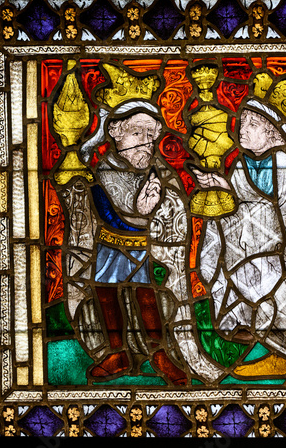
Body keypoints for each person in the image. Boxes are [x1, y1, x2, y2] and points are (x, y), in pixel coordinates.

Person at [75, 100, 223, 384]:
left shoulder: (157, 170)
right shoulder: (105, 170)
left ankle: (159, 354)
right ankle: (117, 352)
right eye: (137, 133)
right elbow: (106, 213)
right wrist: (142, 211)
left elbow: (174, 204)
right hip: (110, 244)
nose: (146, 142)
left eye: (151, 136)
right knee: (107, 294)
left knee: (146, 297)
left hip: (145, 246)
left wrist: (157, 205)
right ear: (116, 133)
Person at [194, 100, 286, 379]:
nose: (242, 130)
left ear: (272, 133)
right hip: (254, 249)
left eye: (253, 124)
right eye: (242, 122)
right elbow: (243, 206)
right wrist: (223, 189)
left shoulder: (283, 163)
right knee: (251, 287)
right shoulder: (240, 164)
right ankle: (280, 356)